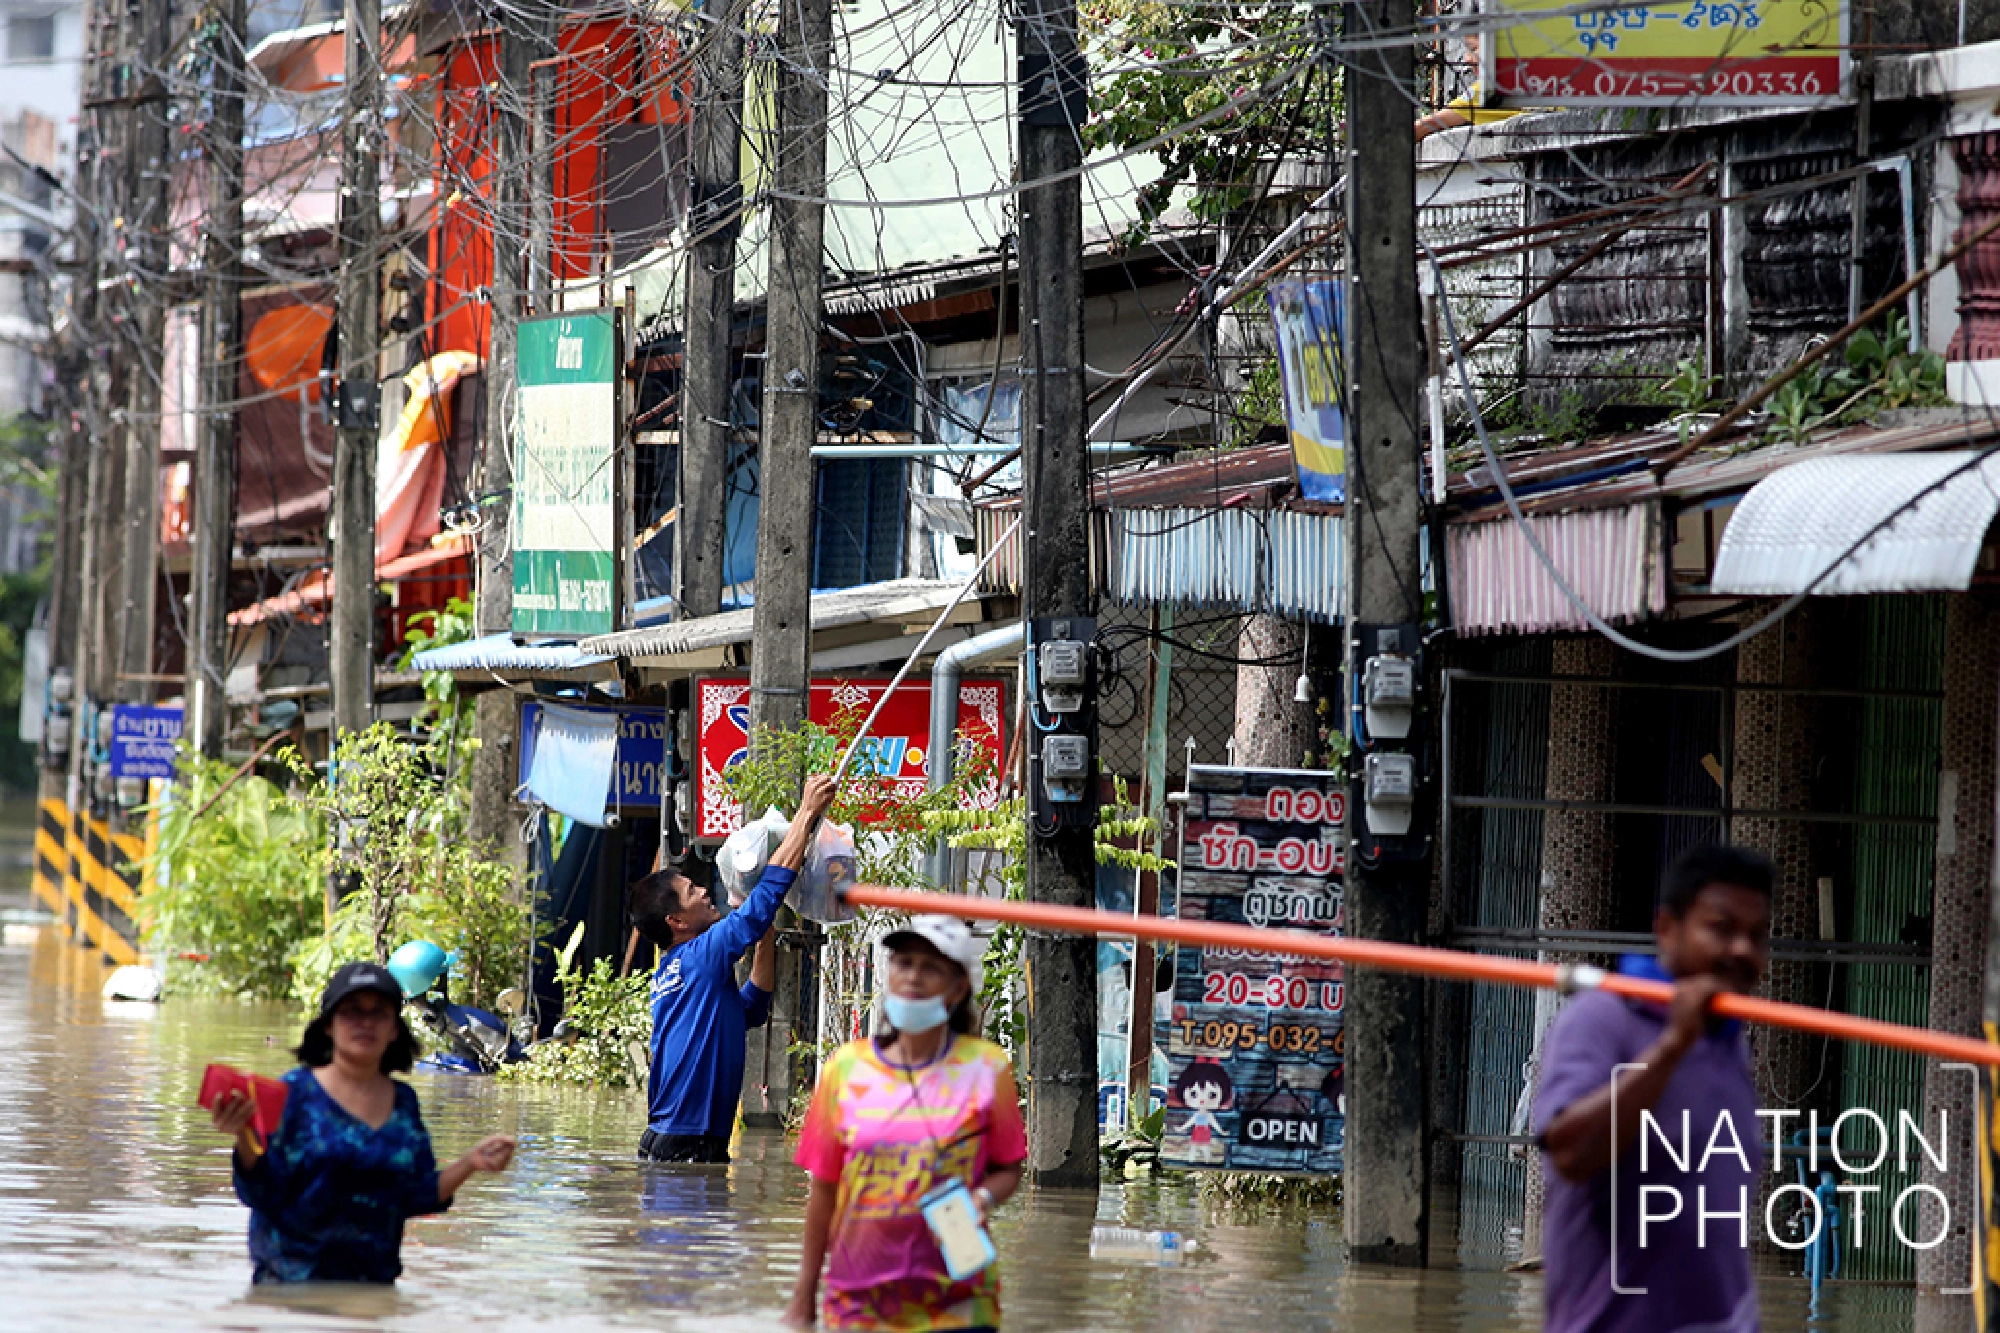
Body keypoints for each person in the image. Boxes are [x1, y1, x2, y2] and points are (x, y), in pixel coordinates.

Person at [1534, 845, 1774, 1333]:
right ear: (1668, 928)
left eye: (1757, 936)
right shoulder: (1602, 1020)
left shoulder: (1728, 1043)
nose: (1743, 951)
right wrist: (1672, 1046)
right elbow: (1571, 1152)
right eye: (1722, 929)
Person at [785, 915, 1026, 1332]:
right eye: (904, 962)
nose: (913, 976)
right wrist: (804, 1295)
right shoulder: (846, 1069)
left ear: (957, 988)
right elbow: (823, 1188)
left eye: (930, 967)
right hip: (860, 1298)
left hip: (959, 1297)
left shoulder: (987, 1068)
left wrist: (978, 1202)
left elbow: (1009, 1168)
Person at [209, 961, 517, 1284]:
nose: (365, 1023)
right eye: (352, 1011)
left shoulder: (403, 1104)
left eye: (379, 1012)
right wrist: (243, 1135)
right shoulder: (293, 1094)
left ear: (394, 1028)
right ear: (329, 1024)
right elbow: (259, 1190)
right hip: (291, 1291)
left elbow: (414, 1195)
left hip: (372, 1291)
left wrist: (470, 1162)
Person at [630, 772, 839, 1163]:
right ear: (676, 922)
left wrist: (764, 932)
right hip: (687, 1144)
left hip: (676, 1140)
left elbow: (753, 1007)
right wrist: (806, 814)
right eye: (692, 892)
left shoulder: (678, 970)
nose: (705, 891)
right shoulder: (698, 957)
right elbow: (760, 905)